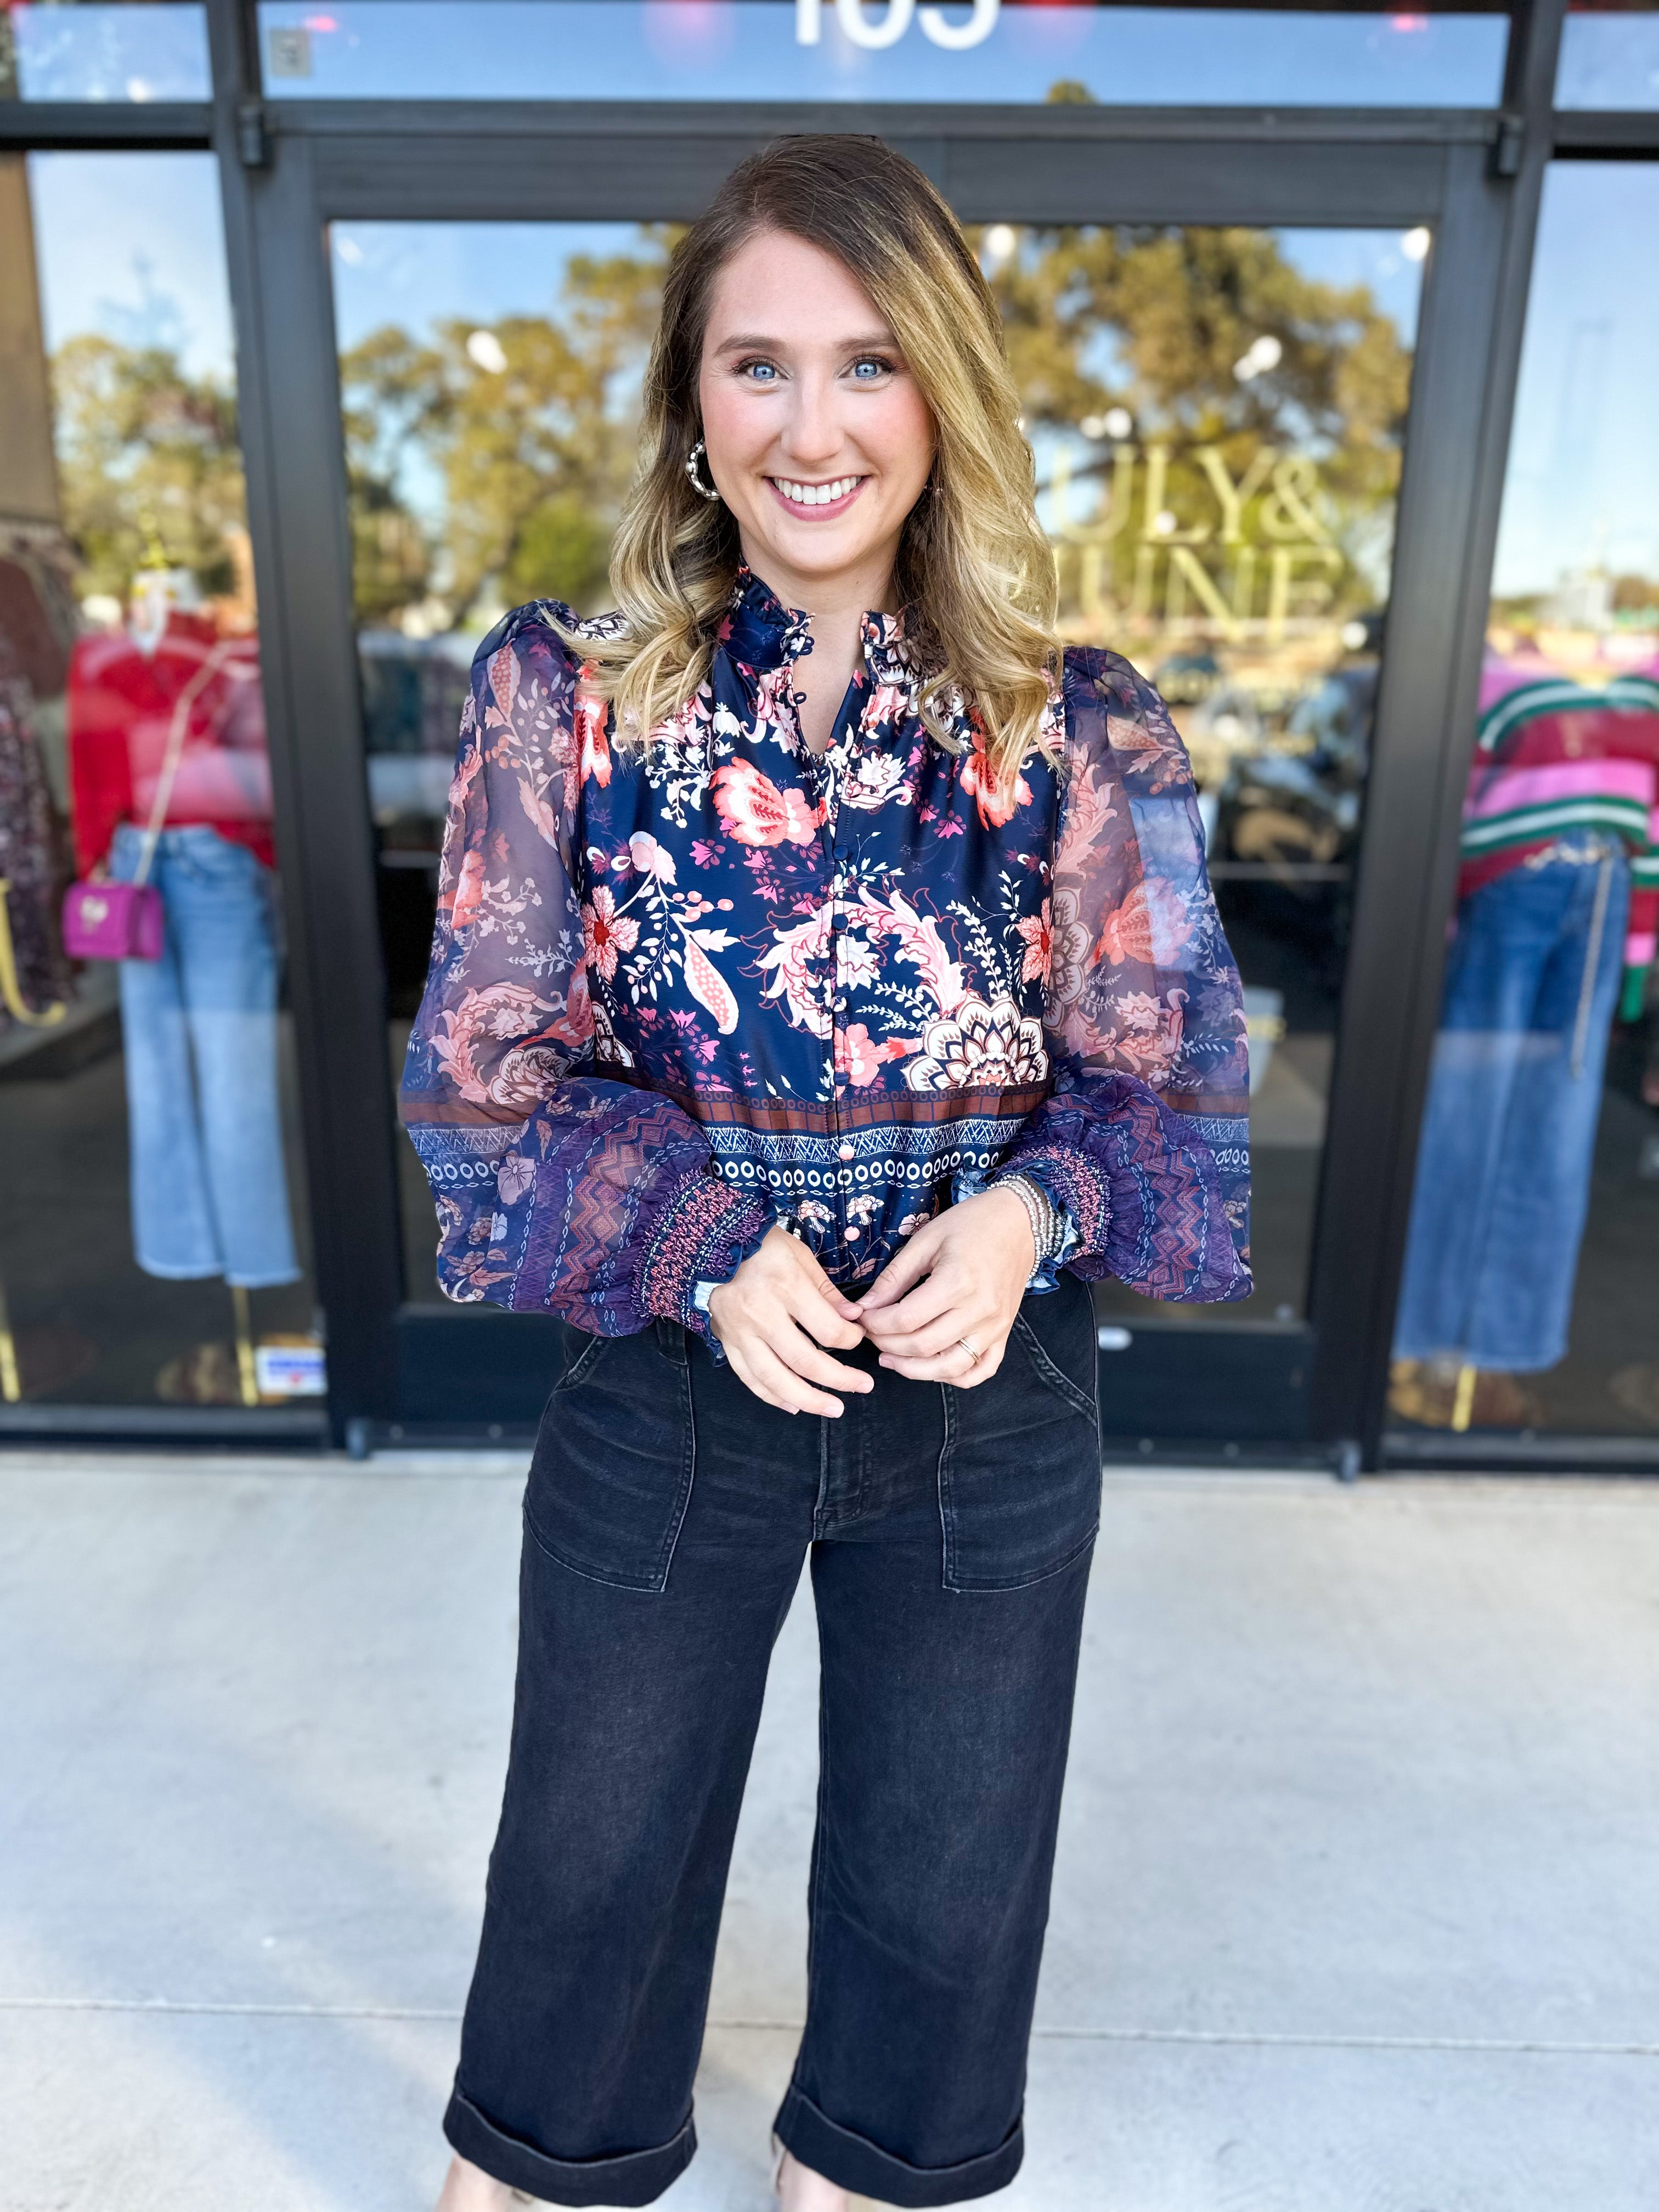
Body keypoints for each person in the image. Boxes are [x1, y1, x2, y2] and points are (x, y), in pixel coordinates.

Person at [401, 135, 1251, 2212]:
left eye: (867, 366)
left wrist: (1034, 1206)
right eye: (756, 365)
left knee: (942, 1911)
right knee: (585, 1877)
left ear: (941, 394)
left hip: (987, 1410)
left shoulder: (1079, 736)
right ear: (693, 407)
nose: (810, 426)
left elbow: (1172, 1075)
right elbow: (488, 1067)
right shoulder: (567, 705)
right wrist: (700, 1237)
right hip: (678, 1391)